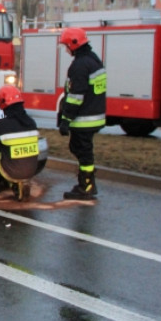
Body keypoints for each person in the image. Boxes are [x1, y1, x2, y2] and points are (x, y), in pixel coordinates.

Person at [57, 27, 106, 200]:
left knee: (82, 150)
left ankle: (86, 186)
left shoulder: (79, 66)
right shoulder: (94, 60)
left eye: (66, 46)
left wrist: (65, 120)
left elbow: (76, 97)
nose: (66, 49)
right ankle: (87, 182)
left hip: (84, 119)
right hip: (95, 115)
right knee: (82, 150)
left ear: (74, 44)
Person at [0, 85, 41, 201]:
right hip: (32, 170)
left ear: (3, 103)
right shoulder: (31, 122)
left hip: (12, 170)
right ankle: (18, 185)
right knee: (9, 155)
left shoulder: (1, 125)